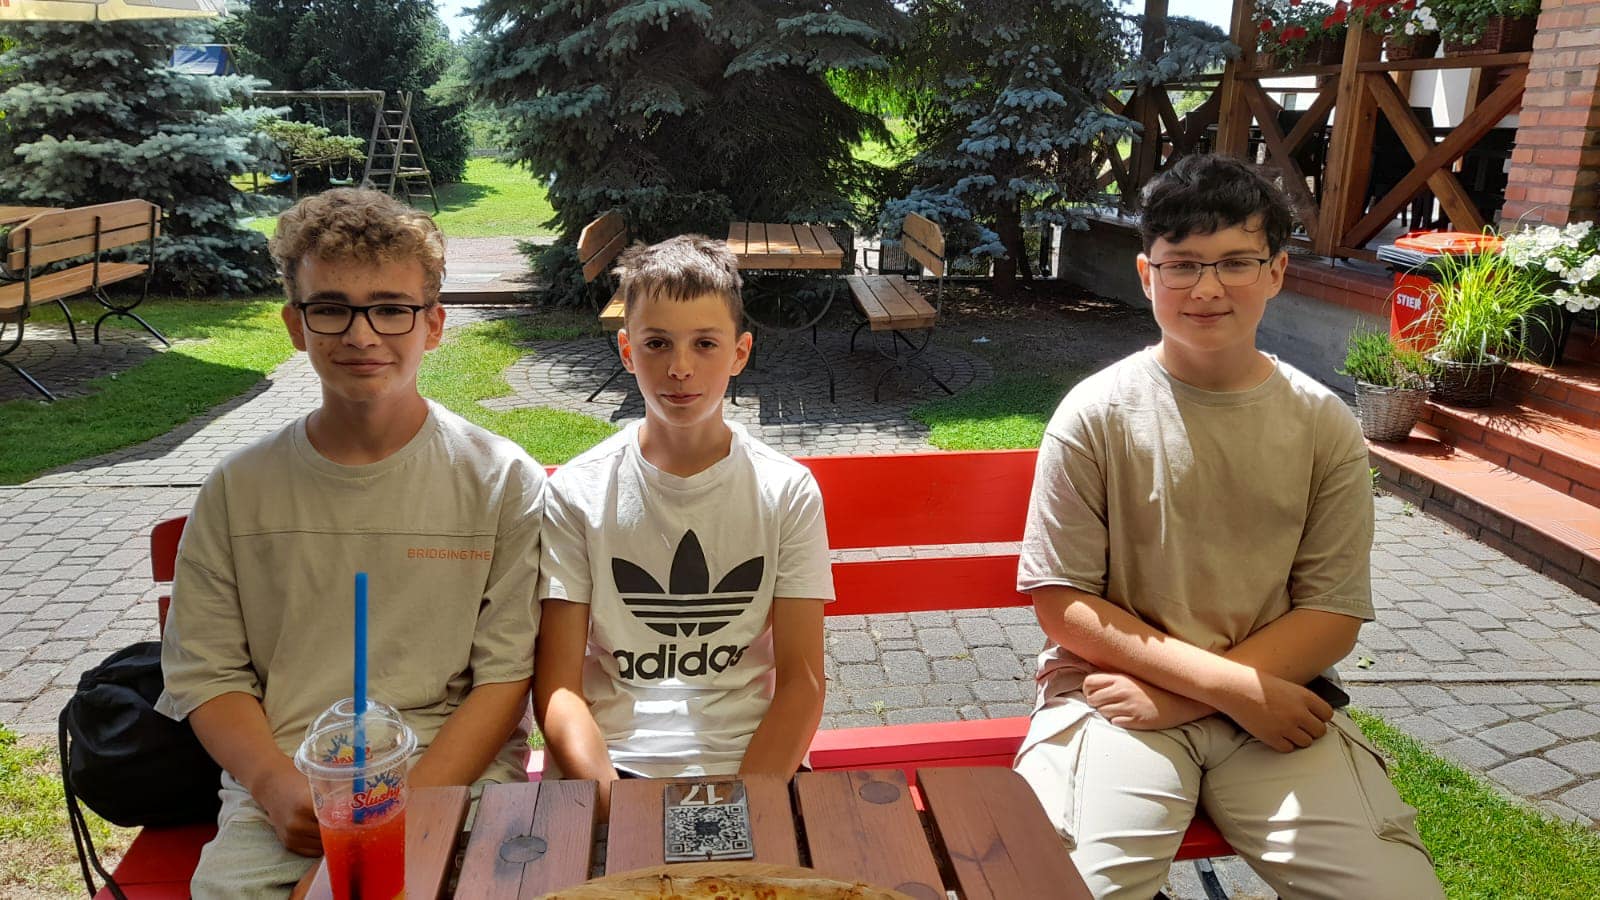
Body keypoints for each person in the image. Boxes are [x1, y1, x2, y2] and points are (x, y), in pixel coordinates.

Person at [1013, 155, 1443, 899]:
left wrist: (1197, 696)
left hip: (1275, 700)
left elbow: (1332, 613)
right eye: (1182, 265)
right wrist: (1227, 690)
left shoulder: (1323, 424)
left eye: (1236, 262)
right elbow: (1063, 602)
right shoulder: (1094, 415)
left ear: (1276, 272)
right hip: (1114, 697)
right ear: (1147, 276)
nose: (1208, 288)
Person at [156, 189, 545, 899]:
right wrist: (272, 782)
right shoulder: (240, 488)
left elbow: (505, 676)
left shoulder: (499, 480)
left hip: (456, 778)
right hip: (290, 783)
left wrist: (405, 808)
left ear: (433, 325)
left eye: (391, 309)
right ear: (295, 324)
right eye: (331, 308)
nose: (362, 336)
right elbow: (206, 673)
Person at [534, 234, 832, 819]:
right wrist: (616, 807)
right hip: (613, 766)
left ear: (740, 353)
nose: (679, 367)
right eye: (657, 343)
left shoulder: (785, 491)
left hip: (752, 762)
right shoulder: (577, 491)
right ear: (627, 350)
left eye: (705, 343)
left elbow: (802, 684)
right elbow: (560, 688)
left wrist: (737, 806)